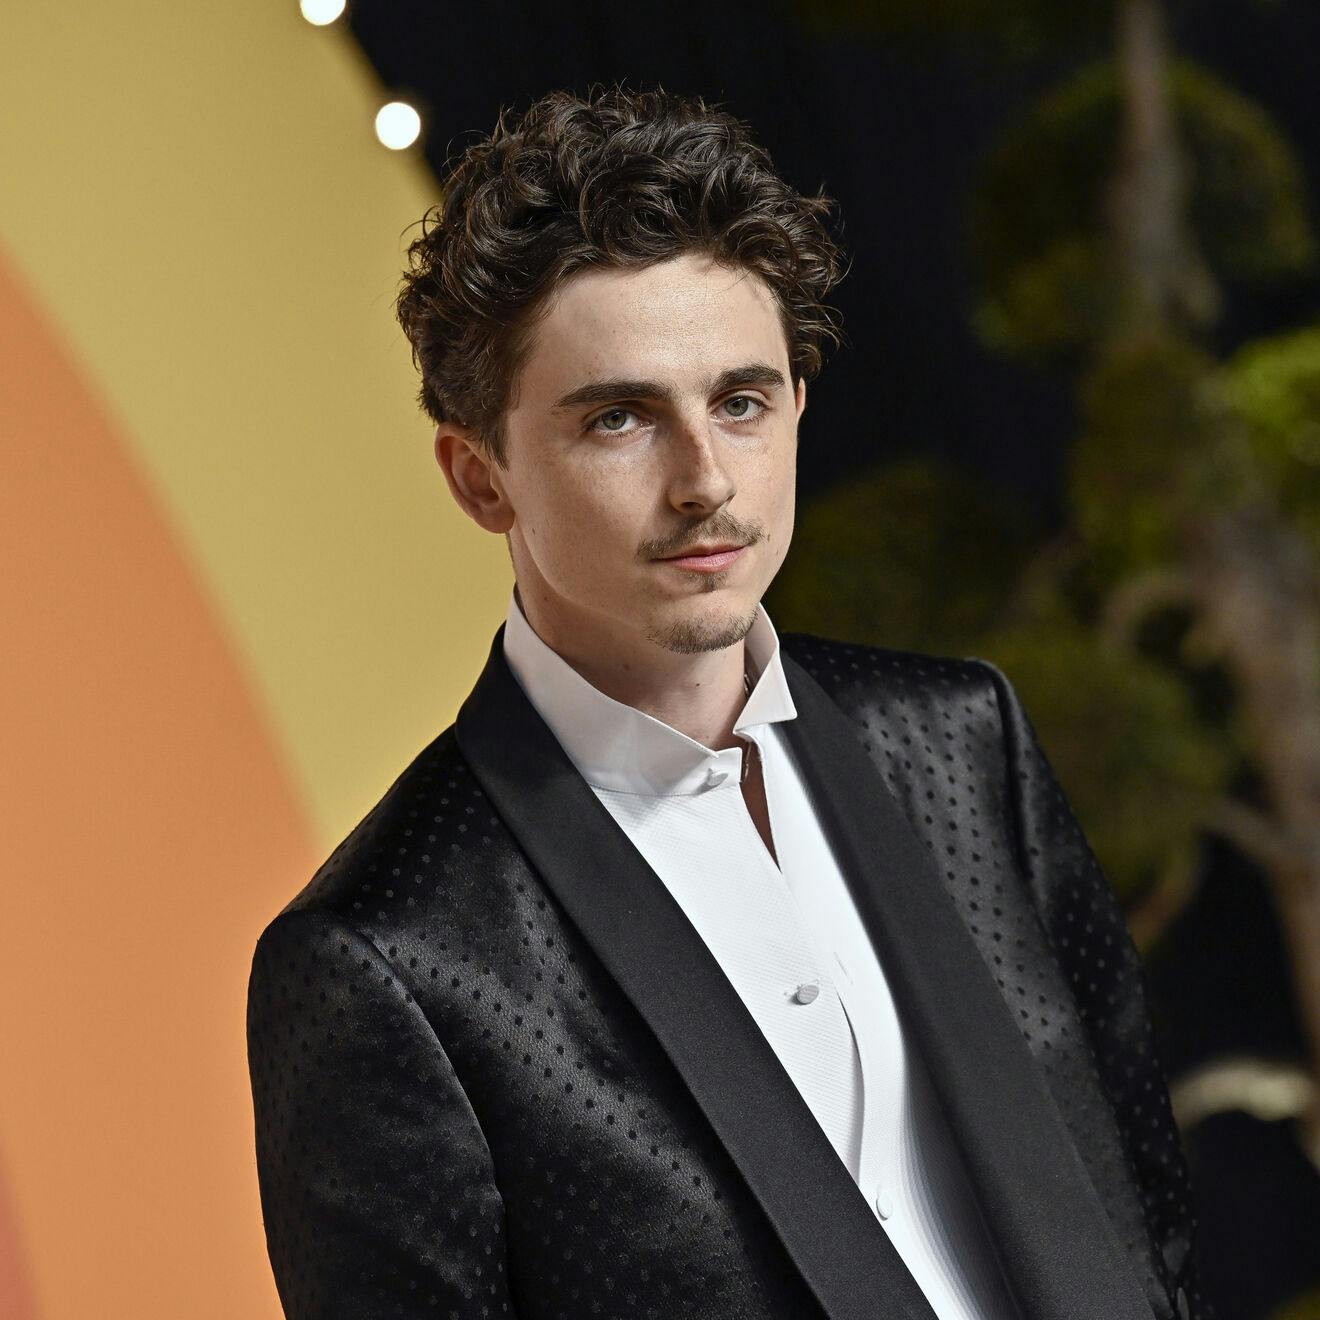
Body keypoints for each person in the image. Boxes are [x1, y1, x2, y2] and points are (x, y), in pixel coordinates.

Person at [245, 84, 1207, 1320]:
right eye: (621, 418)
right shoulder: (387, 958)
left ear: (797, 408)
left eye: (741, 401)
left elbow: (1150, 1232)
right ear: (480, 477)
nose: (705, 480)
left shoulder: (964, 743)